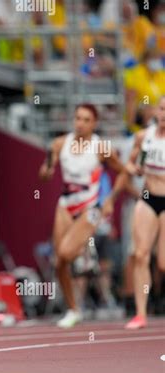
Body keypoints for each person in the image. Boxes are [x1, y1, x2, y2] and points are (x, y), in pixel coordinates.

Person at [39, 104, 128, 328]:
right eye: (78, 118)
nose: (80, 123)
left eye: (86, 119)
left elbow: (123, 172)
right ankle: (73, 309)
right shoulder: (60, 143)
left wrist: (110, 200)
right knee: (59, 261)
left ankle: (83, 254)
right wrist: (47, 170)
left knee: (67, 252)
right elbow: (44, 174)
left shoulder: (102, 147)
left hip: (90, 208)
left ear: (94, 123)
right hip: (66, 204)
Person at [125, 96, 165, 329]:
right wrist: (136, 168)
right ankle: (141, 313)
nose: (163, 114)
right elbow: (130, 165)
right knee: (140, 255)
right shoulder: (144, 137)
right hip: (148, 198)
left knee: (162, 264)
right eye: (161, 109)